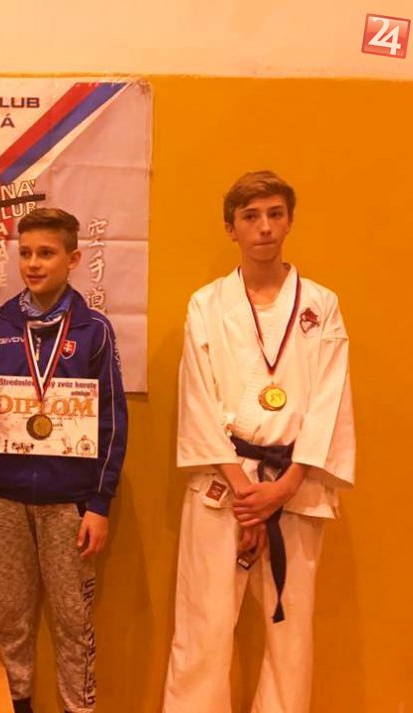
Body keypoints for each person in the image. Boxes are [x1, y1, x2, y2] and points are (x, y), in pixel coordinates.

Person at [162, 170, 355, 713]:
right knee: (201, 629)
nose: (264, 227)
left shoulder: (321, 304)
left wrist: (285, 486)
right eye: (251, 216)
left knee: (291, 635)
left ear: (289, 221)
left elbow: (330, 398)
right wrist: (246, 492)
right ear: (231, 228)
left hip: (296, 484)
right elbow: (197, 396)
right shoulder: (207, 304)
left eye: (274, 214)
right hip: (223, 485)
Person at [0, 208, 128, 713]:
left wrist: (99, 504)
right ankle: (16, 704)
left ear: (73, 259)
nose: (34, 264)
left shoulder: (94, 329)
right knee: (11, 616)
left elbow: (113, 421)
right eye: (26, 253)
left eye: (46, 253)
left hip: (70, 503)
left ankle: (77, 707)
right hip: (7, 495)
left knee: (72, 620)